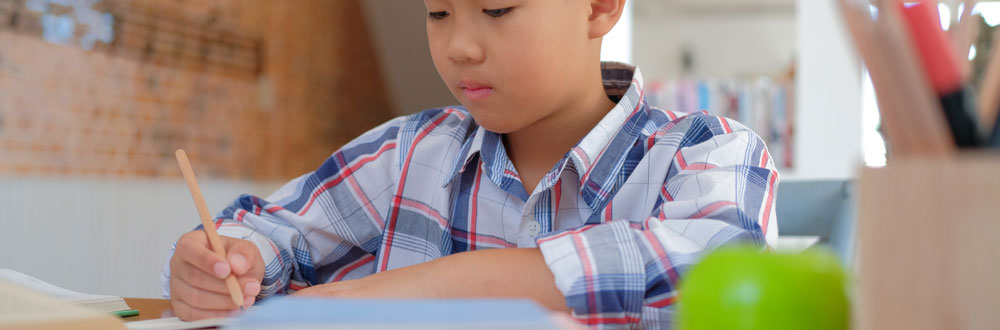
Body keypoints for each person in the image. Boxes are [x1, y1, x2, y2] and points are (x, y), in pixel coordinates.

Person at [161, 0, 779, 328]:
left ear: (598, 6)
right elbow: (270, 231)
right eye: (437, 13)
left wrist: (410, 294)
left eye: (498, 9)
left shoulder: (711, 151)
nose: (458, 46)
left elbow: (707, 279)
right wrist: (226, 263)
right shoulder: (409, 152)